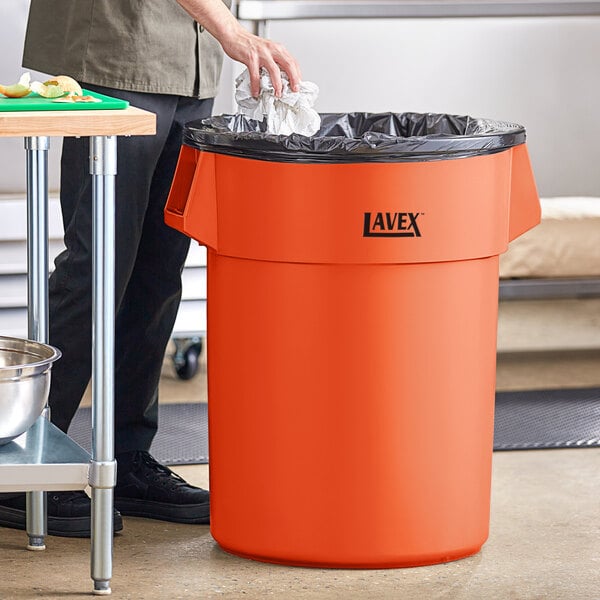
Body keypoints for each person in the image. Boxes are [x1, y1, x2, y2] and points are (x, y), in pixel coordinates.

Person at [0, 0, 301, 537]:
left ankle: (129, 455)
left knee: (160, 269)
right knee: (98, 265)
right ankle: (31, 454)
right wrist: (231, 30)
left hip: (192, 60)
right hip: (121, 50)